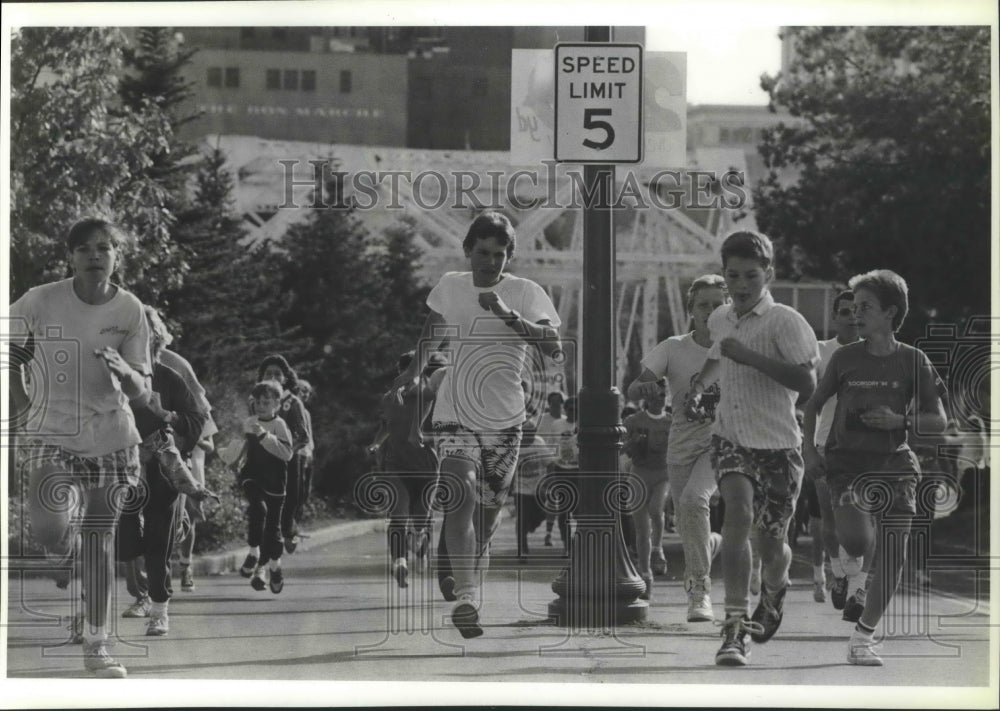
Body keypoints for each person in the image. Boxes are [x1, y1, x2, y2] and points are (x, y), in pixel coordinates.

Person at [394, 211, 561, 638]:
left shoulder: (525, 292)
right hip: (455, 413)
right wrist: (413, 373)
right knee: (459, 494)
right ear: (468, 251)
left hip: (505, 419)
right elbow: (433, 332)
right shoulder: (451, 286)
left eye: (500, 255)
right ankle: (468, 599)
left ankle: (464, 569)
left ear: (509, 257)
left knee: (486, 519)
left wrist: (507, 315)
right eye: (483, 253)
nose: (490, 262)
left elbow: (553, 346)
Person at [9, 218, 152, 678]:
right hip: (51, 431)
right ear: (71, 256)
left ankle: (97, 644)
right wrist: (22, 401)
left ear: (116, 257)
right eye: (86, 248)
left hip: (111, 434)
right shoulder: (41, 299)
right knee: (50, 532)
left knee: (99, 539)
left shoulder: (131, 310)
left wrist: (123, 370)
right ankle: (67, 551)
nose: (95, 255)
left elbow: (141, 390)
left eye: (105, 248)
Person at [685, 231, 819, 666]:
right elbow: (720, 354)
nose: (741, 285)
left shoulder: (786, 321)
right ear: (725, 277)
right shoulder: (722, 317)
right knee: (738, 514)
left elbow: (806, 382)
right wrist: (700, 383)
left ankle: (776, 587)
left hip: (779, 446)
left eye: (751, 276)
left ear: (769, 275)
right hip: (731, 438)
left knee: (772, 546)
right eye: (733, 276)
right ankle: (734, 628)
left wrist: (750, 358)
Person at [802, 269, 946, 666]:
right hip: (846, 466)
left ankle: (863, 637)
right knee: (858, 542)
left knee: (894, 555)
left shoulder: (913, 360)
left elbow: (938, 422)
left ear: (890, 313)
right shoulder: (845, 358)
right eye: (851, 308)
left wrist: (900, 422)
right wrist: (808, 453)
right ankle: (850, 571)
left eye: (864, 307)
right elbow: (813, 406)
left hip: (896, 466)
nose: (854, 315)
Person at [627, 274, 728, 621]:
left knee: (692, 501)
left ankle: (699, 590)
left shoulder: (735, 347)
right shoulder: (673, 347)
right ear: (691, 311)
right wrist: (647, 390)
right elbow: (633, 388)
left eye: (718, 305)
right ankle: (713, 543)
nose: (711, 311)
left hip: (720, 442)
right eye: (704, 305)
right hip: (681, 444)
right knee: (689, 522)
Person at [117, 306, 214, 636]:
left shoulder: (169, 377)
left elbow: (197, 420)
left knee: (158, 542)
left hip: (164, 466)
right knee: (127, 543)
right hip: (124, 467)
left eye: (145, 339)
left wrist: (167, 414)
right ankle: (177, 527)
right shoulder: (110, 377)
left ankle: (159, 610)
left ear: (156, 341)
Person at [810, 290, 865, 613]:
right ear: (835, 317)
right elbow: (806, 397)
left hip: (861, 449)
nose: (852, 317)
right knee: (828, 517)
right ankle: (836, 570)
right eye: (845, 312)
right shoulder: (821, 352)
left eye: (857, 311)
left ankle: (856, 583)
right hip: (825, 444)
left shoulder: (871, 352)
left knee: (858, 520)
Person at [370, 351, 447, 587]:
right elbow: (386, 426)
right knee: (399, 514)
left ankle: (419, 543)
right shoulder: (390, 398)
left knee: (420, 520)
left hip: (426, 467)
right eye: (403, 370)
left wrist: (428, 438)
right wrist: (376, 442)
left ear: (421, 371)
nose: (406, 375)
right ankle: (399, 561)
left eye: (412, 370)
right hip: (396, 464)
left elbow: (443, 430)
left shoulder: (432, 395)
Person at [224, 380, 295, 593]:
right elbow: (241, 446)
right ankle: (253, 552)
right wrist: (232, 457)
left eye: (266, 402)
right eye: (257, 402)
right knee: (257, 508)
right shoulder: (249, 422)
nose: (261, 406)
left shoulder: (279, 425)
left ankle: (274, 566)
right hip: (253, 475)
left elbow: (287, 454)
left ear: (277, 404)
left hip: (275, 480)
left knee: (273, 528)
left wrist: (265, 435)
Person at [158, 343, 218, 593]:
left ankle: (186, 565)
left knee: (190, 514)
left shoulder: (197, 408)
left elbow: (209, 444)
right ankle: (162, 569)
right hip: (166, 455)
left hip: (192, 458)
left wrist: (186, 432)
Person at [255, 355, 311, 553]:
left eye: (277, 374)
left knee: (287, 505)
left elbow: (303, 437)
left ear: (285, 378)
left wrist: (285, 451)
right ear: (261, 376)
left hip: (287, 462)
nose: (272, 377)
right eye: (268, 373)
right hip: (261, 461)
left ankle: (289, 531)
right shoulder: (255, 400)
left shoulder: (292, 402)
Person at [622, 380, 672, 600]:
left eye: (663, 395)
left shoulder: (672, 421)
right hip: (639, 473)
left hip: (662, 474)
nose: (659, 399)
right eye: (655, 395)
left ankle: (658, 548)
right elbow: (624, 448)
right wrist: (632, 441)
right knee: (641, 530)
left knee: (656, 508)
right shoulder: (633, 420)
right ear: (647, 397)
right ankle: (645, 575)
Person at [536, 391, 574, 550]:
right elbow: (539, 443)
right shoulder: (545, 421)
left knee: (570, 504)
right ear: (549, 404)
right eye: (554, 403)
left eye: (560, 403)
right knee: (553, 501)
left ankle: (570, 537)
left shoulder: (571, 422)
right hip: (551, 464)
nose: (557, 406)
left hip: (571, 467)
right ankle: (549, 533)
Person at [293, 378, 316, 528]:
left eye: (308, 392)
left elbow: (310, 436)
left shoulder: (306, 412)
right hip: (297, 453)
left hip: (307, 454)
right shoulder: (293, 408)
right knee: (297, 490)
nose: (305, 394)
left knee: (305, 491)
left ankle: (297, 523)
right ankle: (292, 524)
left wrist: (311, 453)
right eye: (303, 390)